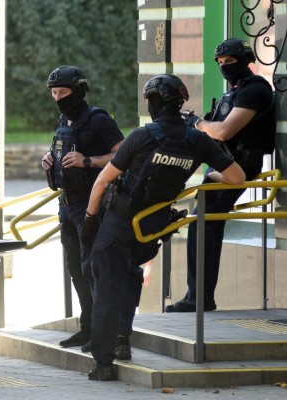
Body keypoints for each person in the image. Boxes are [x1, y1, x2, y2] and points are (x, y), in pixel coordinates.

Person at [82, 74, 245, 381]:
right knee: (131, 275)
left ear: (155, 102)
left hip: (119, 223)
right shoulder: (197, 139)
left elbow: (103, 180)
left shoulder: (142, 136)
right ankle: (122, 340)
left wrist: (90, 220)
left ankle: (103, 364)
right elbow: (237, 177)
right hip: (153, 227)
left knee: (105, 288)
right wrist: (210, 178)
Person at [166, 38, 276, 313]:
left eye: (230, 61)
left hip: (239, 167)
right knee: (202, 225)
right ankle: (198, 295)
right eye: (220, 63)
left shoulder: (255, 90)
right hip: (224, 165)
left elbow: (224, 131)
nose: (225, 67)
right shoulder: (235, 91)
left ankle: (199, 297)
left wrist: (197, 123)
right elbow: (213, 131)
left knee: (204, 225)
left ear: (245, 60)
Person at [41, 65, 123, 351]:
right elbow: (63, 150)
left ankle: (102, 333)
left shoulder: (99, 120)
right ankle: (86, 327)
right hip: (67, 202)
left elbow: (122, 155)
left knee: (93, 268)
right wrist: (50, 159)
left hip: (93, 204)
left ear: (79, 91)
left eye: (63, 92)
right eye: (53, 93)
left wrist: (88, 161)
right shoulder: (64, 118)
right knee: (75, 267)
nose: (58, 98)